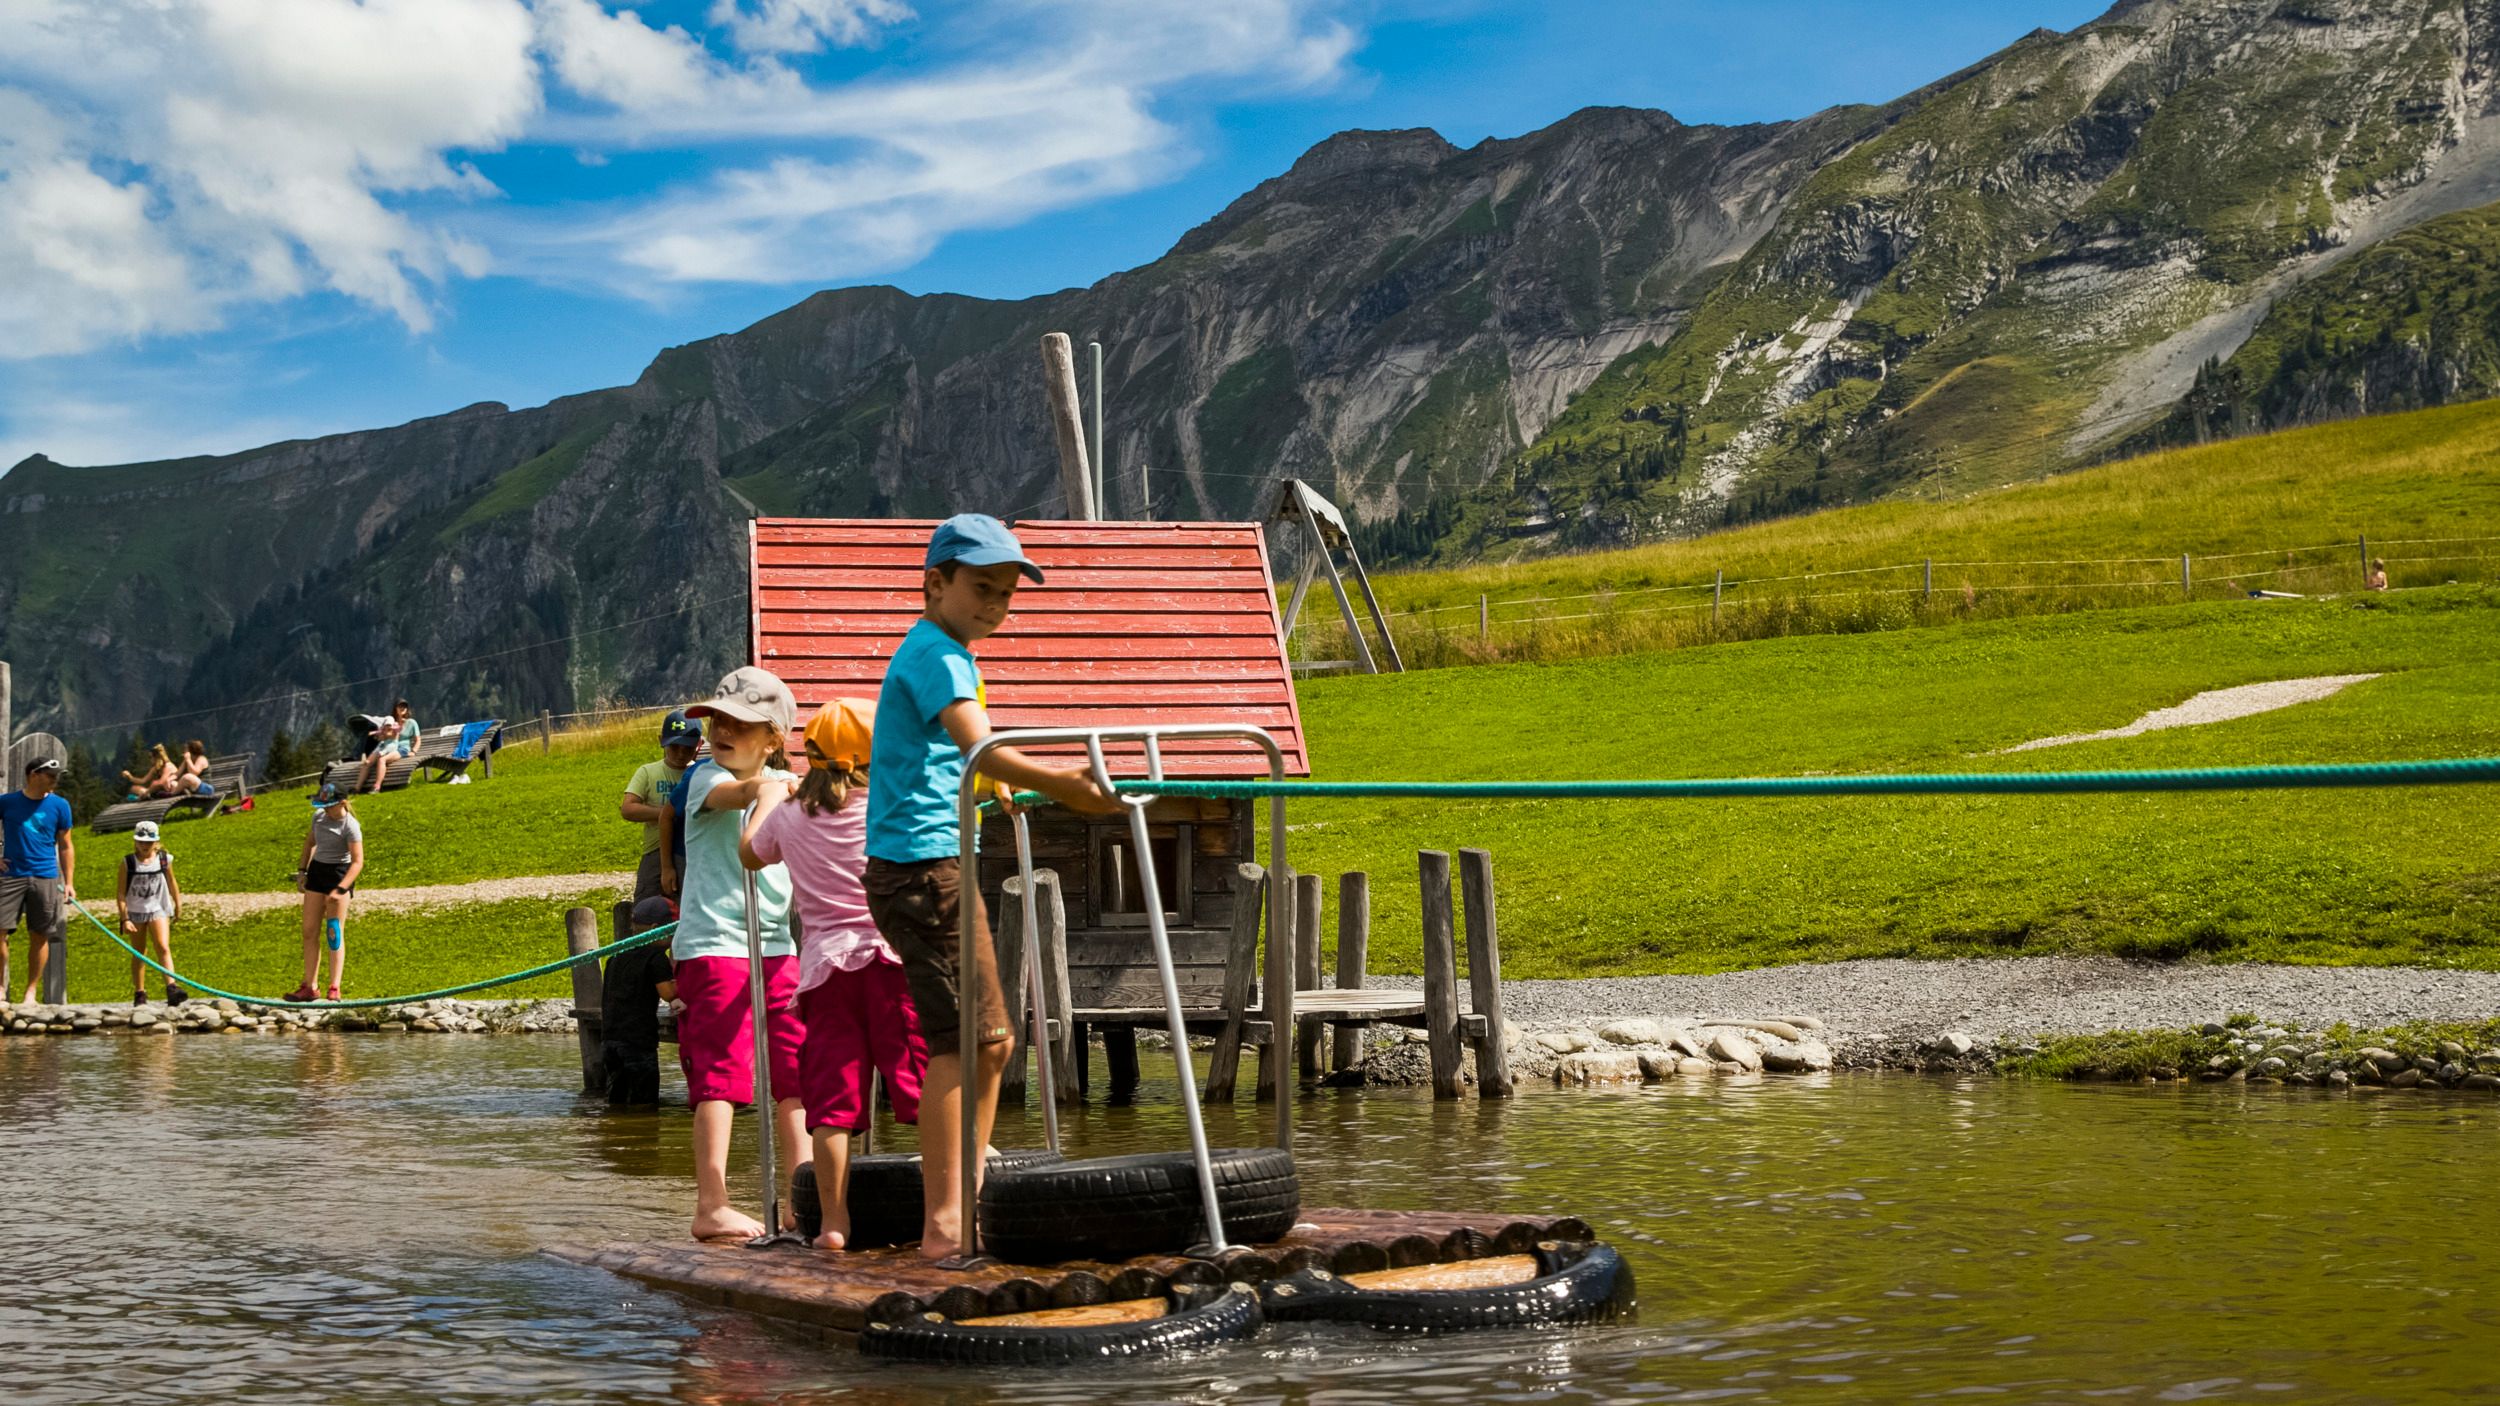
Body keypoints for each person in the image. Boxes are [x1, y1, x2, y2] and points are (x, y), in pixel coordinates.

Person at [865, 514, 1115, 1261]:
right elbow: (980, 745)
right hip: (923, 868)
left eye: (1006, 594)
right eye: (982, 588)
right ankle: (945, 1227)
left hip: (935, 858)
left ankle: (964, 1201)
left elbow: (946, 759)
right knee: (966, 1044)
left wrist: (987, 794)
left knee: (994, 1043)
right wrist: (1062, 786)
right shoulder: (939, 656)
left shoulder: (947, 653)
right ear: (935, 583)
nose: (995, 605)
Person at [742, 697, 926, 1252]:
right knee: (921, 1084)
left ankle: (835, 1225)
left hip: (822, 973)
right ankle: (957, 1206)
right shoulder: (890, 807)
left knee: (832, 1103)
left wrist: (770, 792)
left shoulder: (791, 816)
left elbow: (751, 854)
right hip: (891, 961)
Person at [674, 666, 806, 1241]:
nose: (722, 731)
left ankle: (806, 1197)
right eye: (718, 720)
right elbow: (740, 792)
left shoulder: (786, 784)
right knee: (722, 1075)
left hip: (776, 945)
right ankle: (712, 1205)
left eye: (741, 725)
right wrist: (768, 788)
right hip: (715, 948)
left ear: (773, 738)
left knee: (799, 1072)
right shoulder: (706, 778)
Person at [0, 756, 76, 1004]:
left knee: (40, 934)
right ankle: (1, 988)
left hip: (45, 875)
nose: (55, 780)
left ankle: (30, 993)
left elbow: (66, 846)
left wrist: (70, 882)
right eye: (49, 775)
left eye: (56, 775)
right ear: (33, 775)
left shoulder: (60, 805)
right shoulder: (7, 802)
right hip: (11, 875)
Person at [287, 784, 363, 1002]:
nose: (325, 810)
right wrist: (302, 870)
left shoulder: (350, 826)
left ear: (341, 803)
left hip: (339, 875)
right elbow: (310, 842)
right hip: (317, 872)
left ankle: (334, 986)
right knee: (309, 930)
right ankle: (310, 986)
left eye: (328, 806)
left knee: (333, 932)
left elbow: (357, 862)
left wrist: (341, 889)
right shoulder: (318, 818)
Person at [621, 710, 702, 903]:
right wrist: (667, 813)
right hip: (654, 852)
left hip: (690, 851)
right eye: (674, 747)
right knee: (648, 907)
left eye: (687, 748)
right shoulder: (648, 772)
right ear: (661, 741)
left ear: (699, 746)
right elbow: (628, 808)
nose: (681, 754)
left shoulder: (700, 774)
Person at [119, 819, 186, 1006]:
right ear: (135, 842)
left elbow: (172, 882)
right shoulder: (128, 863)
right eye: (141, 842)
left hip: (158, 908)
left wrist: (177, 902)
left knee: (163, 946)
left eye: (149, 842)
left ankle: (171, 987)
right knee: (140, 952)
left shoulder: (164, 859)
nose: (145, 846)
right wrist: (124, 918)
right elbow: (121, 892)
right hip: (136, 911)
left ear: (156, 842)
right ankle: (140, 992)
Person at [356, 700, 421, 794]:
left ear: (407, 709)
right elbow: (383, 736)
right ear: (395, 708)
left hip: (402, 749)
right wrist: (380, 735)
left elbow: (418, 739)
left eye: (405, 706)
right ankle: (356, 788)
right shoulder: (390, 722)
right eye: (400, 706)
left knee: (382, 760)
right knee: (367, 763)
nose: (402, 708)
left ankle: (376, 787)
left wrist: (414, 751)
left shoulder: (411, 722)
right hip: (387, 746)